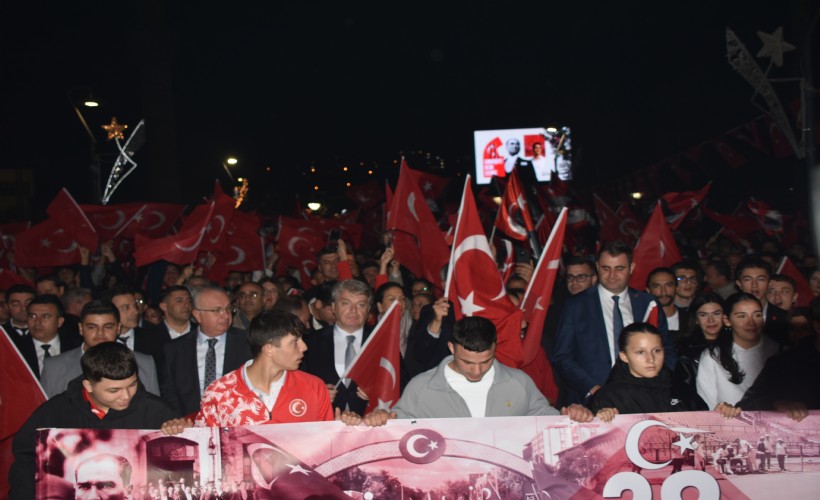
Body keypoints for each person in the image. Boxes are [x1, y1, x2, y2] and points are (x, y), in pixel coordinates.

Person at [9, 342, 179, 499]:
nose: (126, 396)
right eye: (114, 390)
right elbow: (25, 461)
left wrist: (178, 430)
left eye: (132, 385)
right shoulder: (55, 411)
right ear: (88, 385)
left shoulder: (157, 412)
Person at [362, 316, 592, 424]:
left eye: (485, 361)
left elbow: (547, 420)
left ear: (495, 347)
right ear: (451, 348)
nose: (477, 371)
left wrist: (572, 416)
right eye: (468, 363)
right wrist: (381, 418)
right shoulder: (422, 387)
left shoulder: (519, 382)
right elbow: (397, 425)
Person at [551, 241, 676, 404]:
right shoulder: (575, 306)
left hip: (644, 397)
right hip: (592, 399)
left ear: (631, 268)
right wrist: (592, 388)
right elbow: (562, 357)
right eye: (606, 268)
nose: (612, 275)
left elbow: (667, 350)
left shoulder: (647, 304)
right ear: (597, 267)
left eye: (619, 268)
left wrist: (655, 383)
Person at [196, 311, 335, 426]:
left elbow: (325, 443)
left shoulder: (314, 387)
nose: (304, 347)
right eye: (295, 342)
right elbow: (206, 446)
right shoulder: (219, 393)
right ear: (269, 349)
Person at [160, 286, 252, 417]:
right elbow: (169, 394)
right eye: (217, 310)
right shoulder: (175, 350)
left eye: (228, 309)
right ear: (197, 315)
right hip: (189, 421)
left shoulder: (248, 342)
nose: (226, 315)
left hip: (237, 419)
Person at [40, 300, 160, 397]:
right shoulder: (54, 367)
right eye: (92, 327)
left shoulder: (143, 363)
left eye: (108, 327)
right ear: (81, 328)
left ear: (118, 328)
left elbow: (154, 411)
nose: (100, 334)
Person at [588, 323, 699, 421]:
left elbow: (704, 426)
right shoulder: (609, 397)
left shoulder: (681, 389)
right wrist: (599, 420)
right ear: (624, 356)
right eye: (640, 352)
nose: (651, 359)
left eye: (657, 350)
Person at [695, 293, 779, 414]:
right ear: (727, 320)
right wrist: (723, 410)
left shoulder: (780, 352)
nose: (751, 322)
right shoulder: (712, 357)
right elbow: (708, 406)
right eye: (742, 316)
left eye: (757, 315)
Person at [301, 280, 373, 415]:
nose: (353, 310)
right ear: (333, 307)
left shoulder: (382, 340)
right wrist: (315, 393)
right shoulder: (310, 342)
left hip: (371, 421)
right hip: (324, 421)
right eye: (346, 303)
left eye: (361, 305)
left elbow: (399, 383)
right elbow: (294, 383)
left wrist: (378, 394)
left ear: (368, 309)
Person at [672, 294, 725, 411]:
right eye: (703, 315)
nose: (711, 320)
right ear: (696, 319)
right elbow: (684, 390)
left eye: (716, 314)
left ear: (725, 316)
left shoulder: (737, 344)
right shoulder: (686, 350)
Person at [12, 294, 82, 378]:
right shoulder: (15, 350)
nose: (37, 322)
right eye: (32, 316)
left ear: (59, 321)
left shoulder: (76, 346)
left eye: (45, 316)